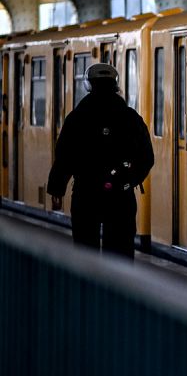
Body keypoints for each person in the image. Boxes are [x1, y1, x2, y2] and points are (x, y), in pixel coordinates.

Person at [47, 62, 154, 257]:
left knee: (86, 251)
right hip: (121, 195)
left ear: (89, 85)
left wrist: (57, 188)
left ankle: (88, 277)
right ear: (115, 85)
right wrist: (129, 181)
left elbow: (64, 155)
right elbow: (146, 157)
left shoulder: (77, 117)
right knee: (120, 252)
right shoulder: (130, 118)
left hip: (86, 193)